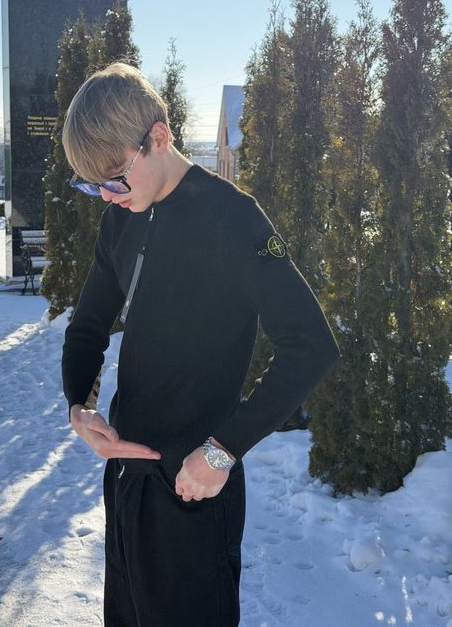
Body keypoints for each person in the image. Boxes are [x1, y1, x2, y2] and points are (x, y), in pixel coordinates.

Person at [61, 62, 340, 627]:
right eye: (92, 186)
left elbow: (311, 344)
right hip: (126, 481)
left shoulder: (235, 219)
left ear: (159, 137)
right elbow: (88, 325)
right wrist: (78, 406)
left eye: (115, 178)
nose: (107, 196)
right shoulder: (121, 221)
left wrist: (221, 453)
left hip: (195, 491)